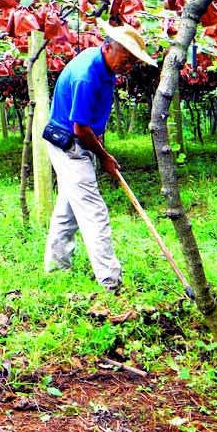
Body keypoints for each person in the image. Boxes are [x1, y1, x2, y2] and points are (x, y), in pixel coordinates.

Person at [40, 26, 142, 292]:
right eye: (126, 58)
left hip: (78, 142)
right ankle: (111, 282)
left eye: (133, 61)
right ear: (107, 47)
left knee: (68, 208)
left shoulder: (104, 66)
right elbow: (81, 129)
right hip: (70, 146)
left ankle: (56, 267)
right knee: (94, 211)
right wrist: (105, 157)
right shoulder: (87, 76)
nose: (128, 65)